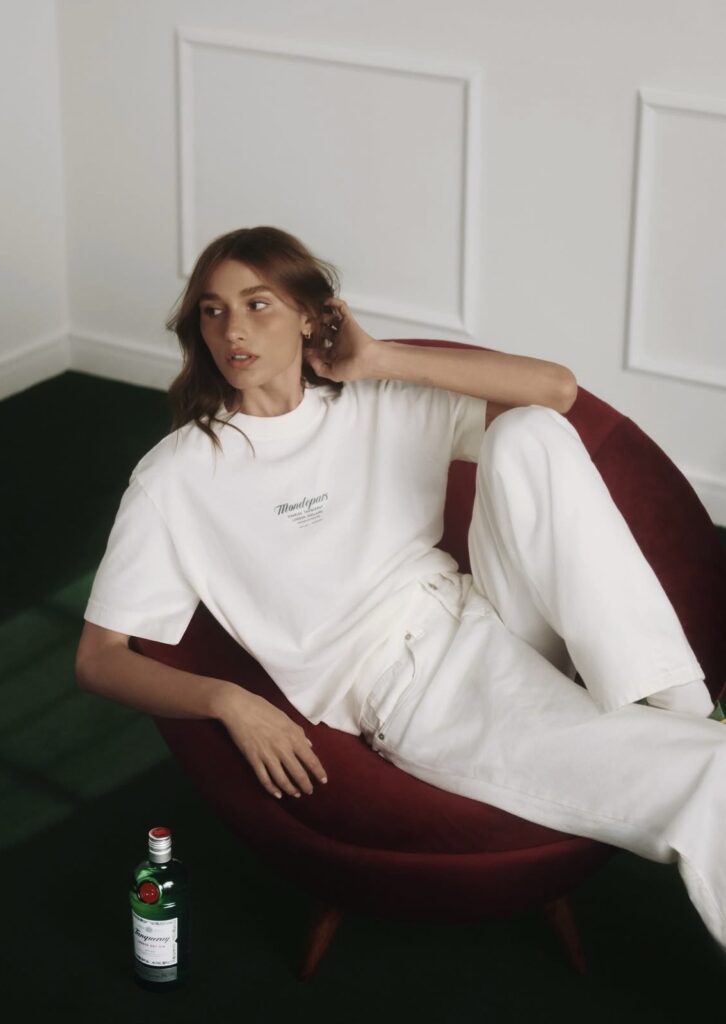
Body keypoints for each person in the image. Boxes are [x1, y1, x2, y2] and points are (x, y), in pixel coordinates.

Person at [75, 225, 725, 950]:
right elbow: (99, 658)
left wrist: (378, 357)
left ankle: (671, 698)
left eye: (258, 305)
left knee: (531, 432)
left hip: (487, 612)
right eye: (213, 310)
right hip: (407, 690)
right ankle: (688, 727)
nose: (233, 330)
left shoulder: (375, 399)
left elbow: (558, 391)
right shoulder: (177, 477)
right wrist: (229, 701)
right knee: (708, 774)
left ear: (310, 316)